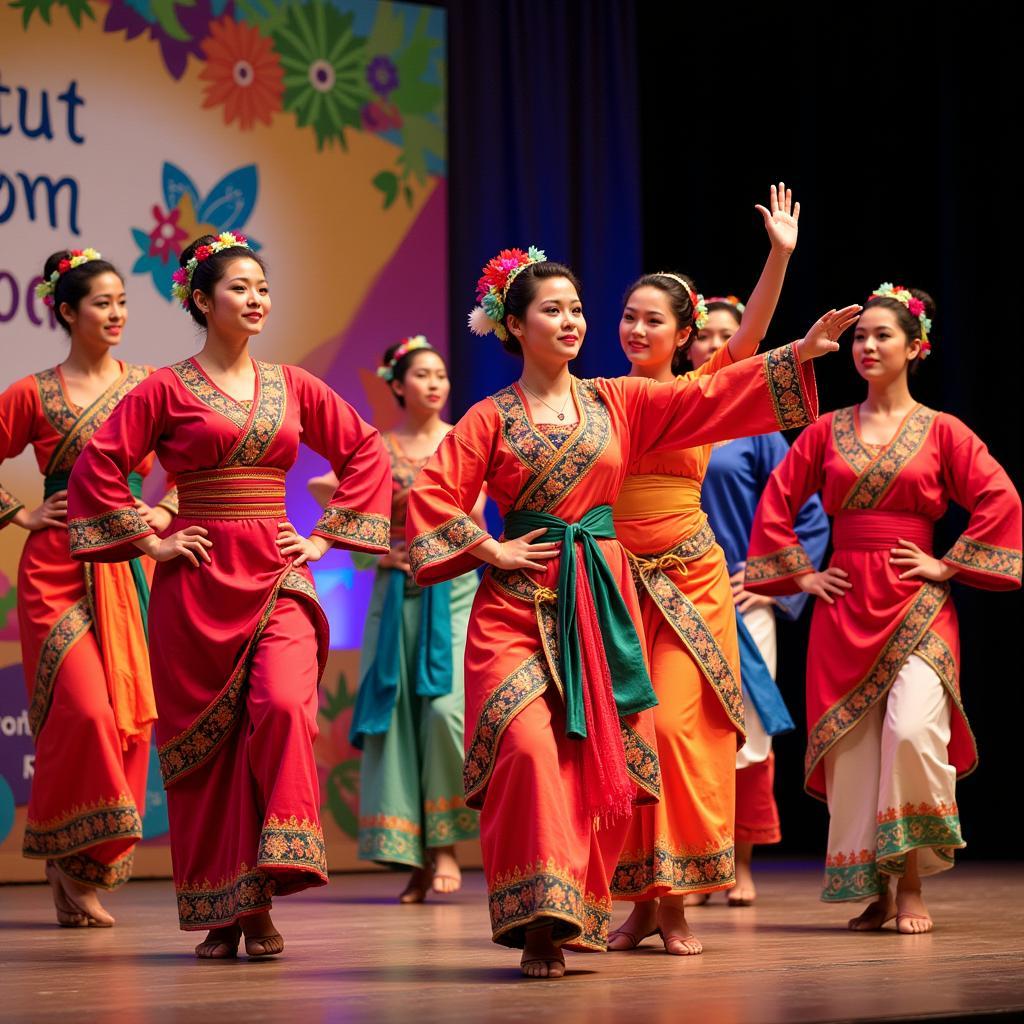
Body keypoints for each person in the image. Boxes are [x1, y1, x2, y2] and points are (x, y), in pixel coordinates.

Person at [406, 244, 850, 978]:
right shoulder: (489, 418)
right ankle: (538, 915)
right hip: (518, 606)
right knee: (526, 753)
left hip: (599, 602)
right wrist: (491, 549)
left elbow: (709, 396)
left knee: (597, 760)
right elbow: (432, 497)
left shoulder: (617, 401)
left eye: (577, 307)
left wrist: (799, 351)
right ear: (513, 325)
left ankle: (566, 919)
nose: (573, 320)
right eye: (553, 309)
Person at [66, 233, 391, 958]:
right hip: (196, 581)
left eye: (261, 288)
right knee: (206, 758)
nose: (255, 300)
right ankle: (229, 910)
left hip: (277, 571)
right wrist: (152, 541)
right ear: (202, 301)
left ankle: (269, 883)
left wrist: (325, 537)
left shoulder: (295, 384)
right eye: (239, 288)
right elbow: (99, 464)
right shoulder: (164, 388)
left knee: (279, 707)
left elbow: (365, 450)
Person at [745, 284, 1022, 933]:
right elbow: (777, 505)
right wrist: (803, 577)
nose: (866, 345)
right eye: (861, 335)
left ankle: (913, 882)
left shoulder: (942, 431)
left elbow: (1000, 498)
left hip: (917, 603)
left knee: (914, 731)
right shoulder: (826, 430)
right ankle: (876, 888)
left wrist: (947, 564)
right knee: (857, 751)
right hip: (844, 604)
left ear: (914, 346)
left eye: (882, 335)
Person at [607, 185, 834, 954]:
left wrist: (778, 255)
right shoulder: (598, 399)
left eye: (654, 319)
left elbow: (753, 347)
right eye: (629, 316)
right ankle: (639, 903)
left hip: (689, 576)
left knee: (676, 729)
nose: (638, 328)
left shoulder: (704, 395)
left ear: (683, 333)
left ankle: (674, 902)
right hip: (614, 580)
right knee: (627, 739)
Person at [0, 248, 173, 927]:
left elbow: (206, 453)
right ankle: (72, 860)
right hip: (56, 564)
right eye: (102, 303)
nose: (117, 313)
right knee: (88, 712)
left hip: (131, 559)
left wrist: (166, 506)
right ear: (68, 311)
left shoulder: (151, 385)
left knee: (131, 719)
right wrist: (19, 512)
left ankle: (82, 868)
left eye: (123, 301)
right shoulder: (32, 394)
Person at [309, 336, 482, 903]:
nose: (434, 382)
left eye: (441, 373)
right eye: (422, 375)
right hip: (397, 591)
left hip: (453, 589)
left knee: (443, 714)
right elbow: (329, 494)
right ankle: (418, 858)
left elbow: (476, 513)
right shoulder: (379, 449)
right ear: (399, 385)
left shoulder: (464, 441)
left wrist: (437, 547)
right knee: (398, 717)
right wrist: (380, 550)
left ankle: (448, 846)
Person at [695, 295, 829, 906]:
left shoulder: (759, 429)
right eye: (706, 335)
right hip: (672, 593)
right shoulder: (667, 413)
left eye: (728, 333)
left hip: (741, 602)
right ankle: (690, 867)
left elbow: (806, 512)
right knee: (683, 732)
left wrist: (771, 577)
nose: (714, 344)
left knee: (747, 732)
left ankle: (740, 860)